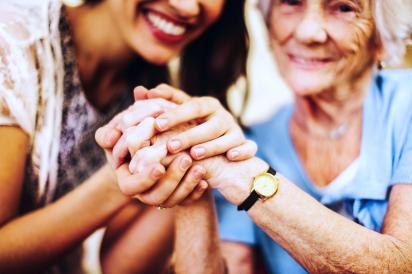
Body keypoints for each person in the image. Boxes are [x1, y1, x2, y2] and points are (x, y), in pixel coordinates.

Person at [99, 0, 412, 273]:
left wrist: (237, 173)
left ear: (382, 36)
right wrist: (190, 161)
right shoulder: (248, 142)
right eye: (291, 2)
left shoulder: (241, 158)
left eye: (344, 7)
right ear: (268, 21)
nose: (308, 32)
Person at [0, 0, 252, 273]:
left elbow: (120, 267)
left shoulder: (154, 92)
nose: (188, 6)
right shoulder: (12, 44)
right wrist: (116, 182)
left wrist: (191, 170)